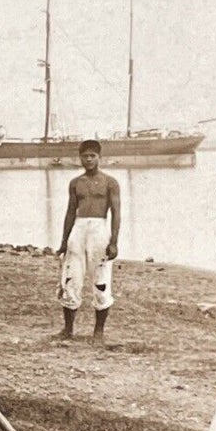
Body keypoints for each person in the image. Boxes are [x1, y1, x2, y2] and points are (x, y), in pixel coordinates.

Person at [56, 140, 121, 343]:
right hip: (78, 230)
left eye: (93, 155)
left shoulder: (110, 182)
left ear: (99, 157)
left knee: (101, 279)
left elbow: (116, 213)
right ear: (80, 158)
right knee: (70, 278)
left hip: (99, 230)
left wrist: (114, 241)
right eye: (85, 156)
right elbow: (69, 212)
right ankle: (68, 330)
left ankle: (98, 332)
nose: (89, 159)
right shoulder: (76, 183)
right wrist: (64, 241)